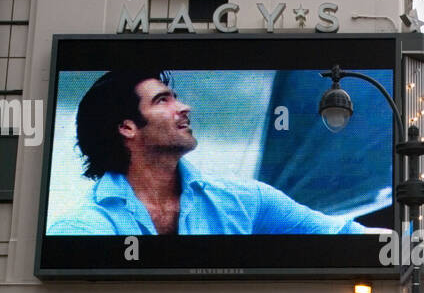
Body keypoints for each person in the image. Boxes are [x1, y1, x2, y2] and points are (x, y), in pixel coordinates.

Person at [48, 69, 370, 237]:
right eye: (163, 100)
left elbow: (342, 233)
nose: (184, 107)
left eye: (176, 97)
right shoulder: (83, 228)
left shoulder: (245, 200)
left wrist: (407, 235)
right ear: (127, 128)